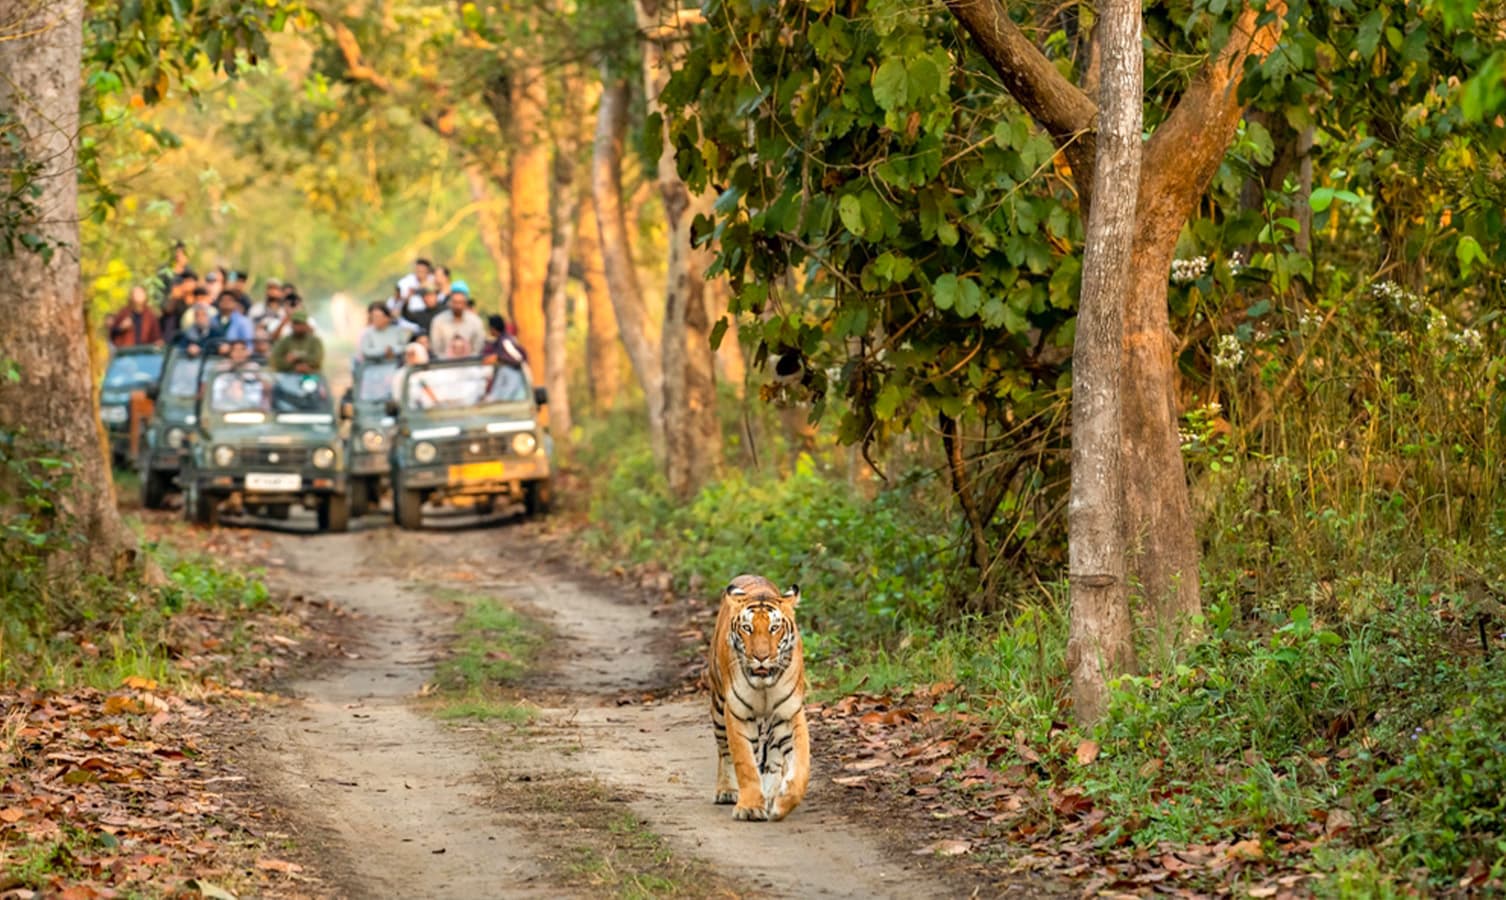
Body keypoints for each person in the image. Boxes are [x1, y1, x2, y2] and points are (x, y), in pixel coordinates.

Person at [429, 287, 485, 358]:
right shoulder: (438, 321)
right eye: (455, 302)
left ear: (465, 304)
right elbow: (436, 348)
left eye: (461, 302)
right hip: (444, 365)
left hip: (470, 364)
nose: (458, 306)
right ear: (450, 303)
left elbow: (478, 346)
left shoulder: (476, 321)